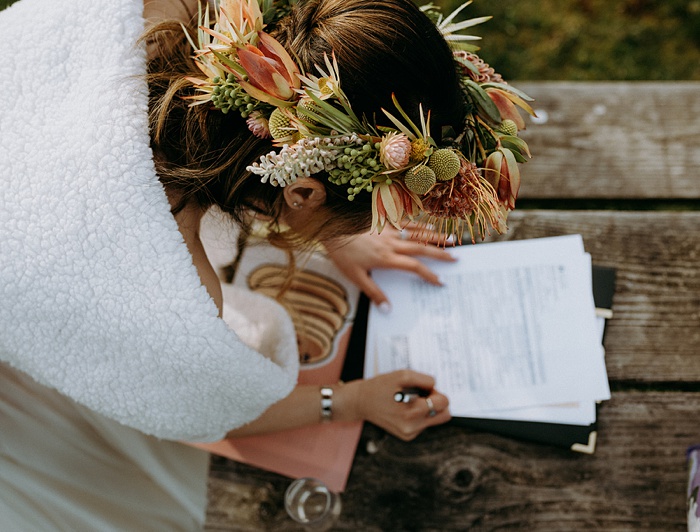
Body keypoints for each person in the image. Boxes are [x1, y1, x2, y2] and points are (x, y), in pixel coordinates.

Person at [0, 0, 531, 528]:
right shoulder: (175, 306)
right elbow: (215, 410)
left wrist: (336, 231)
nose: (366, 230)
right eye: (367, 218)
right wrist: (347, 401)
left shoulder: (182, 8)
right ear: (300, 190)